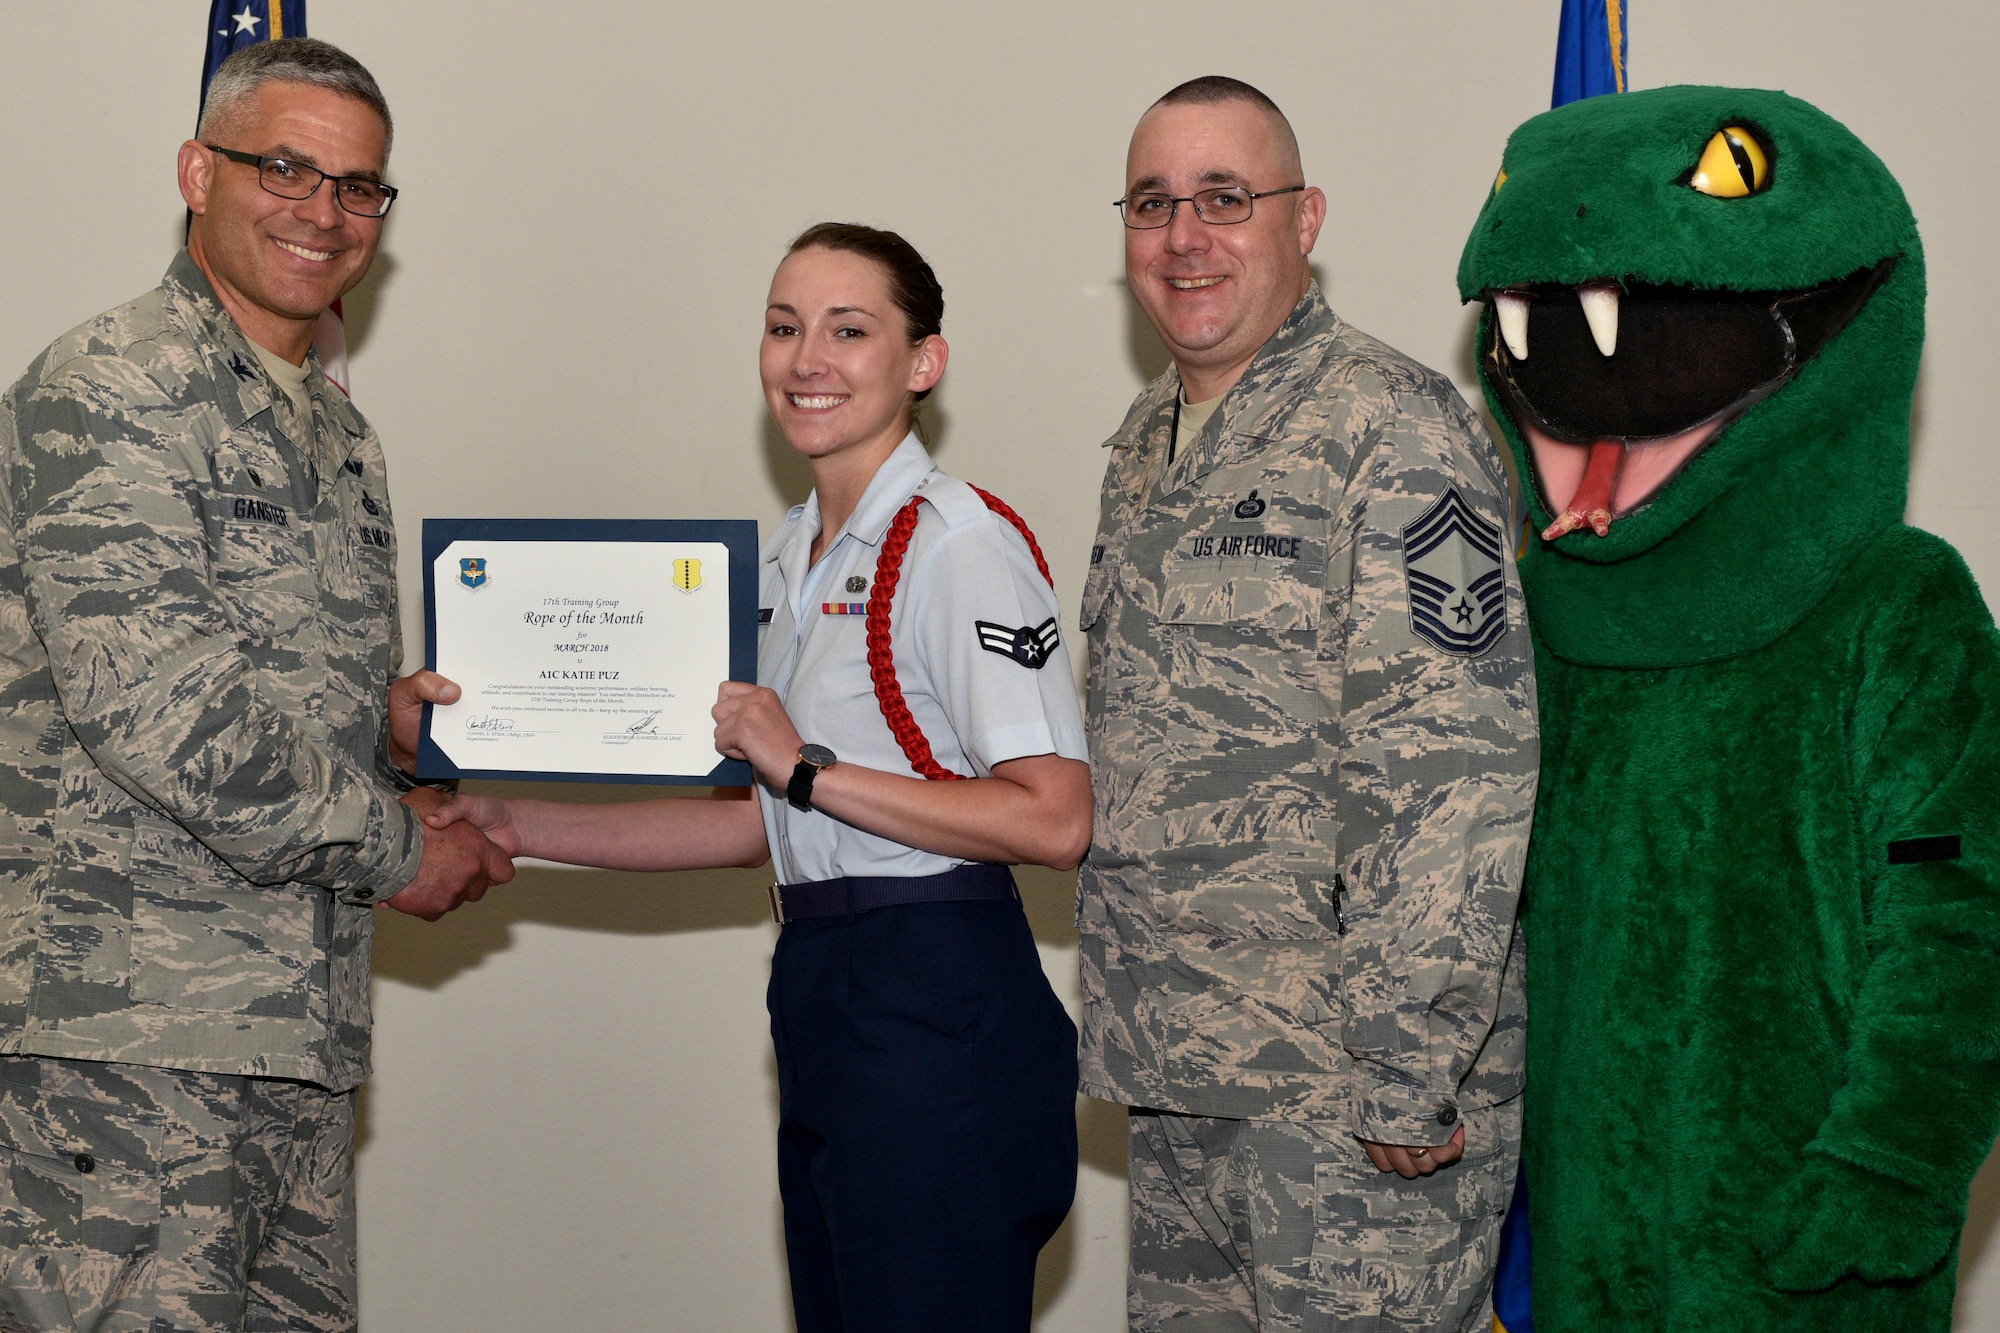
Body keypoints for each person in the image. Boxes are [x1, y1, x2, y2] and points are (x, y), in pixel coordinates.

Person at [431, 222, 1091, 1333]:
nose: (806, 360)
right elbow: (761, 820)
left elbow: (1054, 816)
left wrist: (806, 767)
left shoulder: (954, 543)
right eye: (784, 327)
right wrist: (506, 814)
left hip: (935, 990)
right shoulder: (790, 554)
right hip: (824, 984)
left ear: (922, 362)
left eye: (848, 328)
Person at [0, 38, 508, 1333]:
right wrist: (401, 849)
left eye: (358, 187)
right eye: (285, 167)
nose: (322, 211)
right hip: (126, 1044)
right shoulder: (111, 390)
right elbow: (159, 710)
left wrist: (384, 720)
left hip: (294, 1037)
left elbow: (261, 669)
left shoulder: (334, 432)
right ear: (196, 170)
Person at [1076, 76, 1539, 1331]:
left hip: (1346, 1106)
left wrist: (1407, 1069)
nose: (1184, 236)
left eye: (1224, 198)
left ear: (1305, 217)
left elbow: (1453, 772)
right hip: (1184, 1074)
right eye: (1152, 203)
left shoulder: (1394, 431)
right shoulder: (1142, 445)